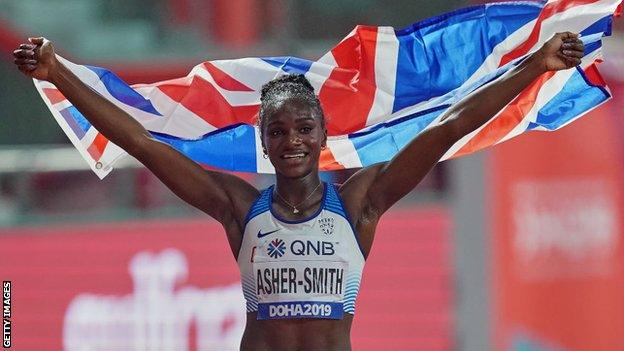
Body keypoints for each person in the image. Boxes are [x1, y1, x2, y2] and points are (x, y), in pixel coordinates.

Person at [13, 32, 584, 350]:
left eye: (304, 129)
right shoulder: (239, 208)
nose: (292, 141)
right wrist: (57, 72)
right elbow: (139, 141)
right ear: (263, 138)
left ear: (322, 135)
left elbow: (450, 126)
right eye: (279, 131)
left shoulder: (360, 204)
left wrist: (536, 65)